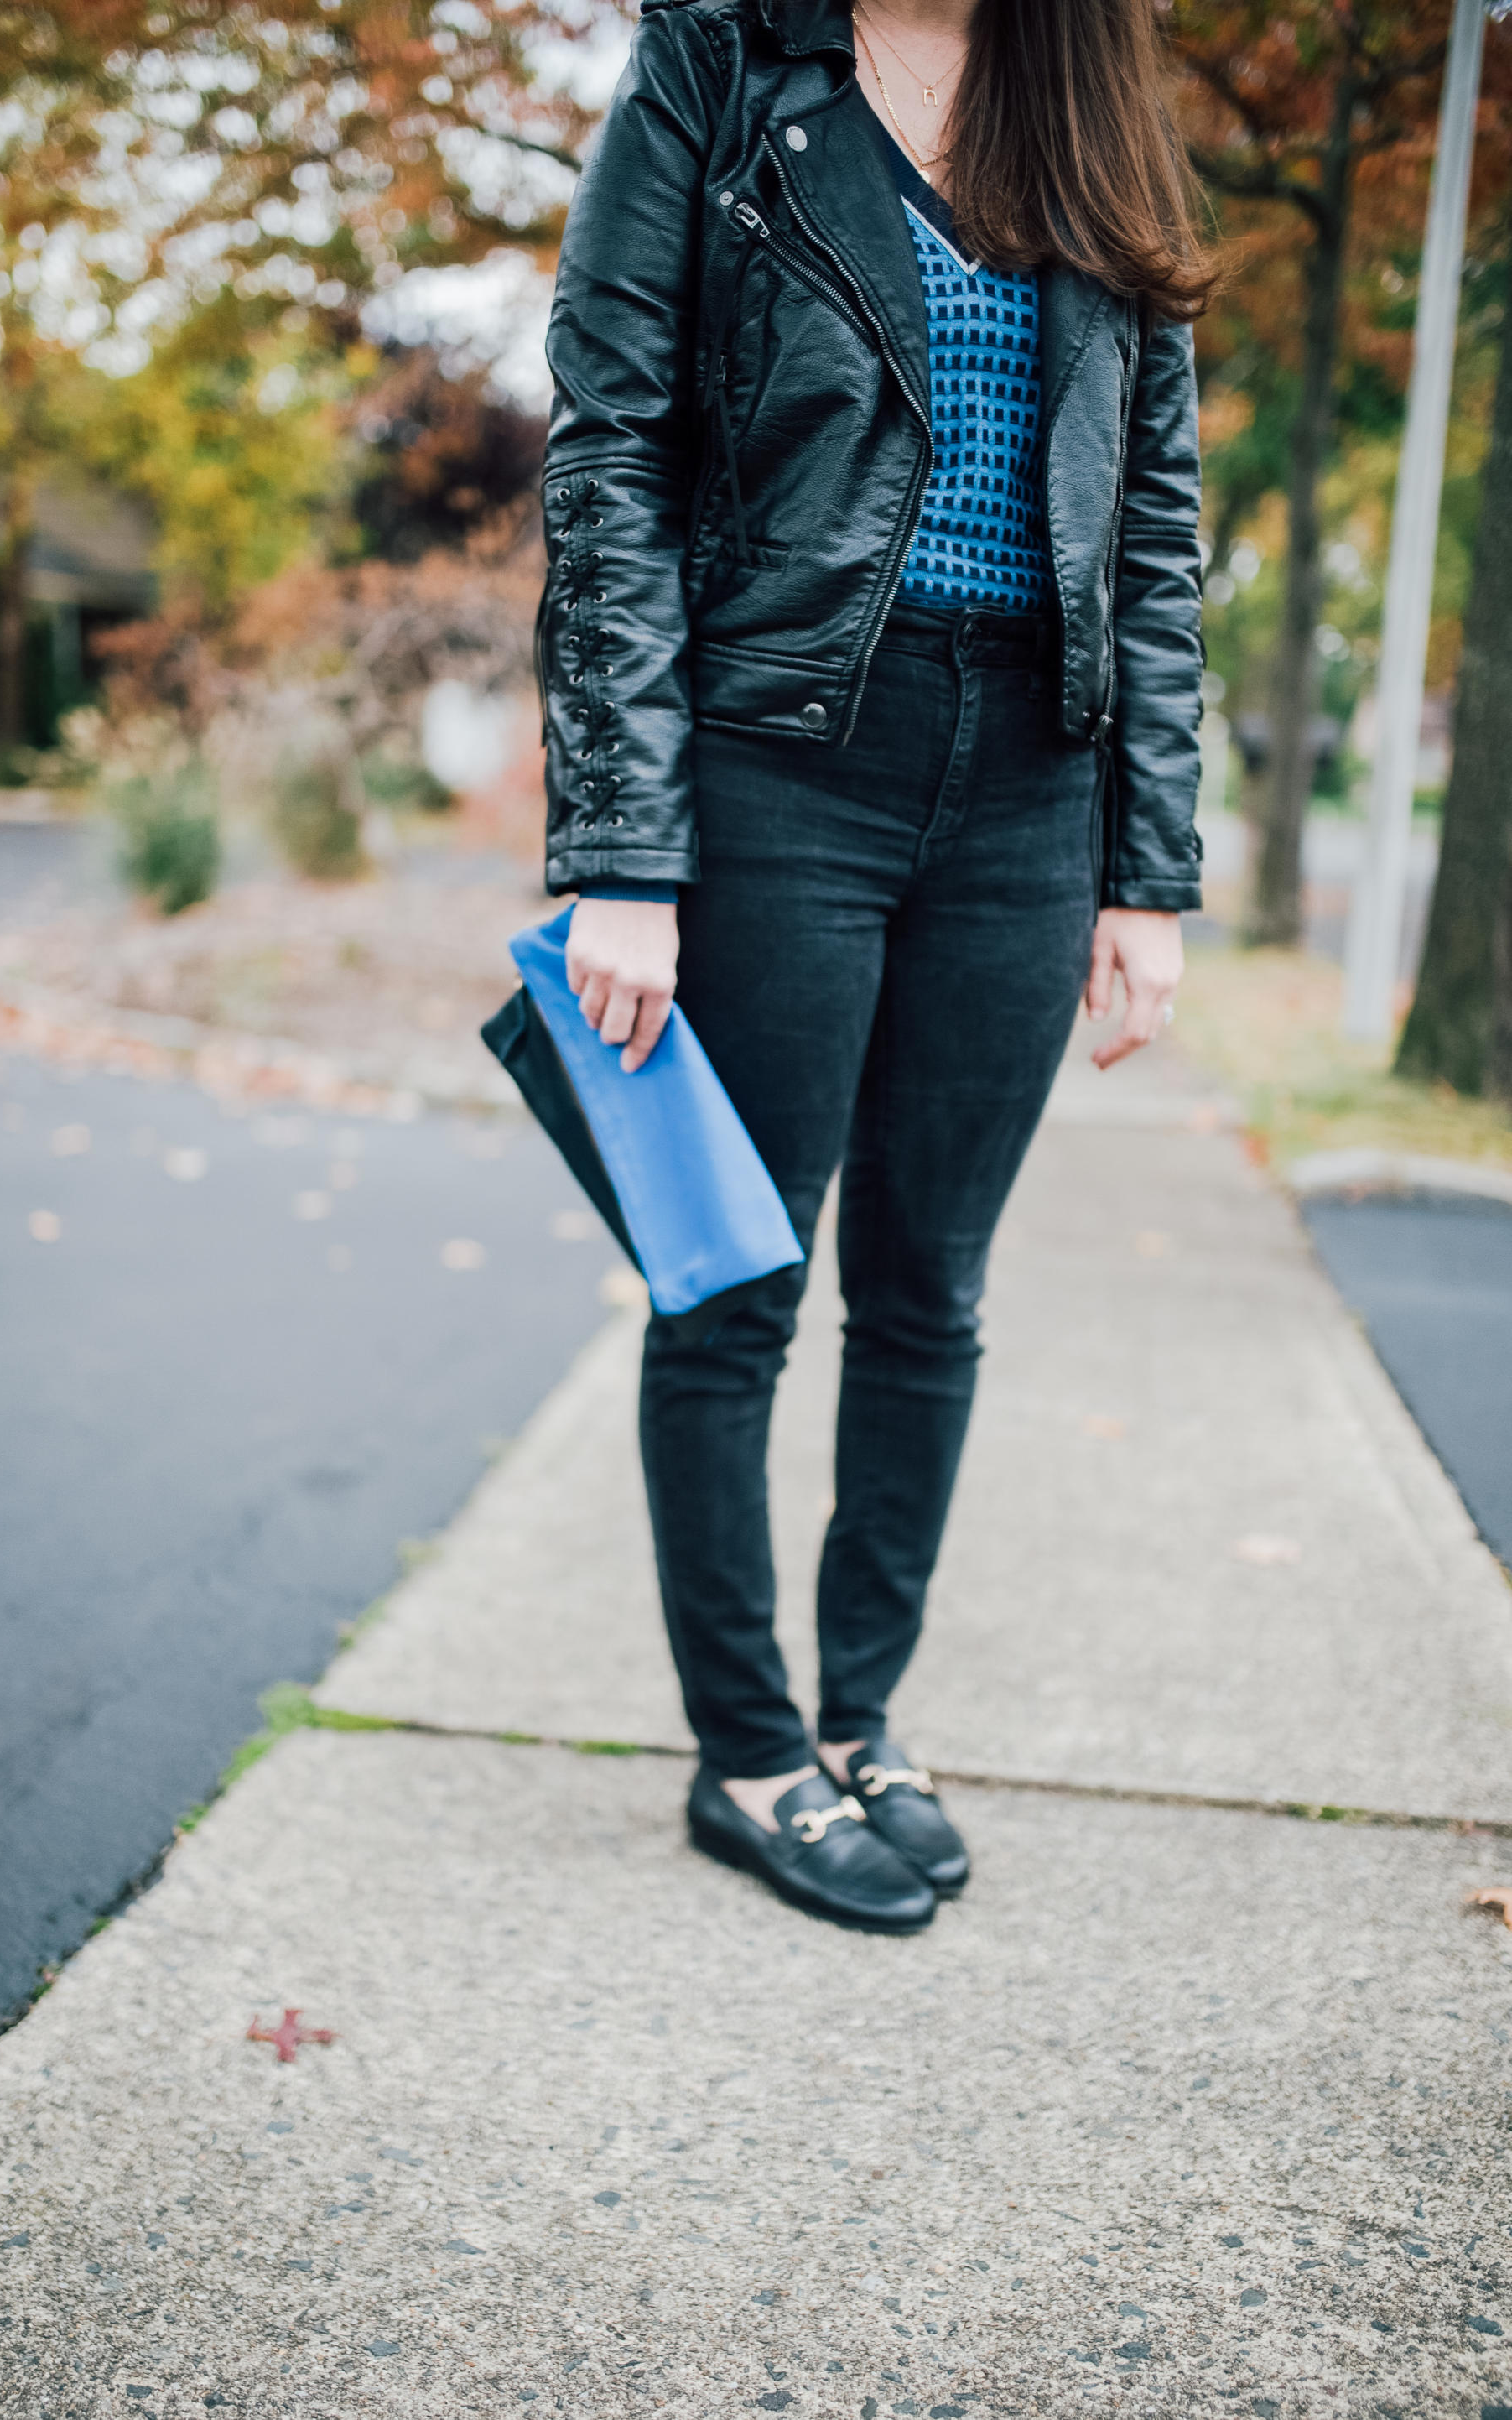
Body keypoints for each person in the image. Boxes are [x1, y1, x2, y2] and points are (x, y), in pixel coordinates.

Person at [537, 0, 1210, 1932]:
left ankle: (864, 1720)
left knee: (932, 1291)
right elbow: (610, 455)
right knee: (736, 1278)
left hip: (1030, 781)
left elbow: (1152, 523)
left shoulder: (1085, 82)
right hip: (776, 764)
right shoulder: (724, 63)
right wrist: (623, 851)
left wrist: (1146, 869)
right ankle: (748, 1754)